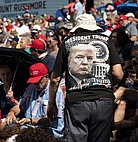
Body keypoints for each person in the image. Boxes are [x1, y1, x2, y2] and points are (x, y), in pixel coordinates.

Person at [47, 14, 123, 142]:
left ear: (77, 29)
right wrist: (106, 83)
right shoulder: (107, 40)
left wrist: (51, 103)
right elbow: (118, 74)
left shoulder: (67, 43)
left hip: (77, 102)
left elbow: (55, 80)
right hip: (103, 100)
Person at [18, 62, 64, 138]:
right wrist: (12, 113)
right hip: (30, 130)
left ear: (46, 77)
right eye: (34, 82)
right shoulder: (30, 88)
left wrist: (30, 120)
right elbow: (20, 106)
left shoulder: (56, 92)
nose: (35, 84)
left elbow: (52, 119)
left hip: (49, 132)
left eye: (38, 81)